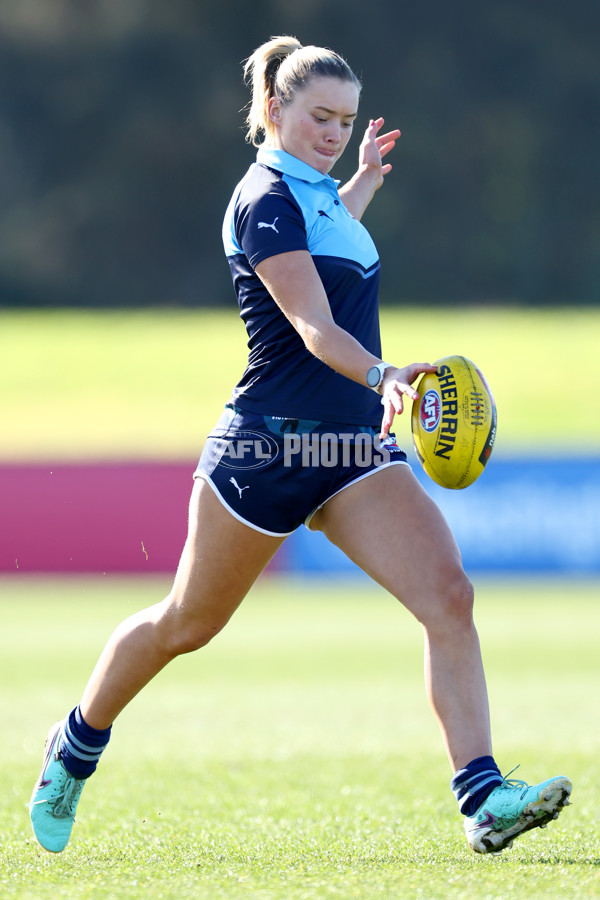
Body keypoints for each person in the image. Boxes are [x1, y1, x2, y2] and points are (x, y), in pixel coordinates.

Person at [29, 35, 571, 856]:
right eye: (320, 117)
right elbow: (315, 325)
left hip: (351, 450)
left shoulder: (317, 194)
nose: (332, 132)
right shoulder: (264, 200)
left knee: (448, 597)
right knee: (186, 623)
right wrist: (385, 372)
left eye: (345, 120)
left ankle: (483, 797)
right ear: (274, 109)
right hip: (269, 449)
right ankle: (74, 746)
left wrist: (359, 185)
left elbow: (330, 244)